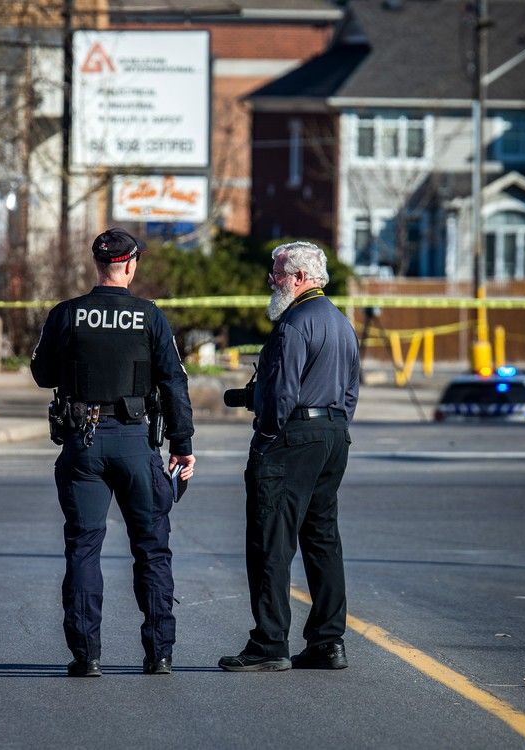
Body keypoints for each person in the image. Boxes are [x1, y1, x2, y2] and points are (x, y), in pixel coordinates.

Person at [31, 228, 196, 678]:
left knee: (84, 548)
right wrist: (182, 444)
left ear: (97, 263)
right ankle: (159, 653)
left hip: (83, 442)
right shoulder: (149, 317)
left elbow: (43, 375)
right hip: (135, 440)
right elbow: (174, 382)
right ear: (131, 263)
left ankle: (87, 655)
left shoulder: (67, 314)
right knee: (152, 550)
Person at [219, 241, 359, 673]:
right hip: (333, 434)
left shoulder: (294, 324)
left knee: (270, 541)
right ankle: (327, 641)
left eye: (277, 273)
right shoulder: (340, 323)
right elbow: (352, 390)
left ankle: (269, 642)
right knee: (322, 540)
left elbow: (282, 394)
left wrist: (265, 439)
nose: (271, 280)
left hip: (294, 437)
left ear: (299, 278)